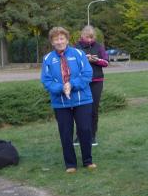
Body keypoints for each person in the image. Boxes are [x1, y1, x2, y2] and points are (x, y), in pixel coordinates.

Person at [40, 26, 95, 173]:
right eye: (56, 39)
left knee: (85, 130)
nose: (59, 41)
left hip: (82, 100)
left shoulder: (79, 54)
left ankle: (88, 161)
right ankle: (70, 164)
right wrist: (61, 88)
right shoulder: (47, 59)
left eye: (62, 38)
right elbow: (46, 80)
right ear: (52, 42)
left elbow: (87, 74)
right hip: (61, 102)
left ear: (67, 39)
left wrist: (72, 85)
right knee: (65, 133)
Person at [75, 25, 109, 145]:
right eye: (87, 37)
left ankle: (92, 135)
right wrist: (84, 59)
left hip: (96, 81)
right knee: (80, 110)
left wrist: (96, 60)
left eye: (91, 37)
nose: (89, 40)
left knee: (93, 110)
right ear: (82, 36)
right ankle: (79, 136)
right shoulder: (77, 47)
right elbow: (72, 62)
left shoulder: (99, 47)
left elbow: (106, 62)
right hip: (81, 82)